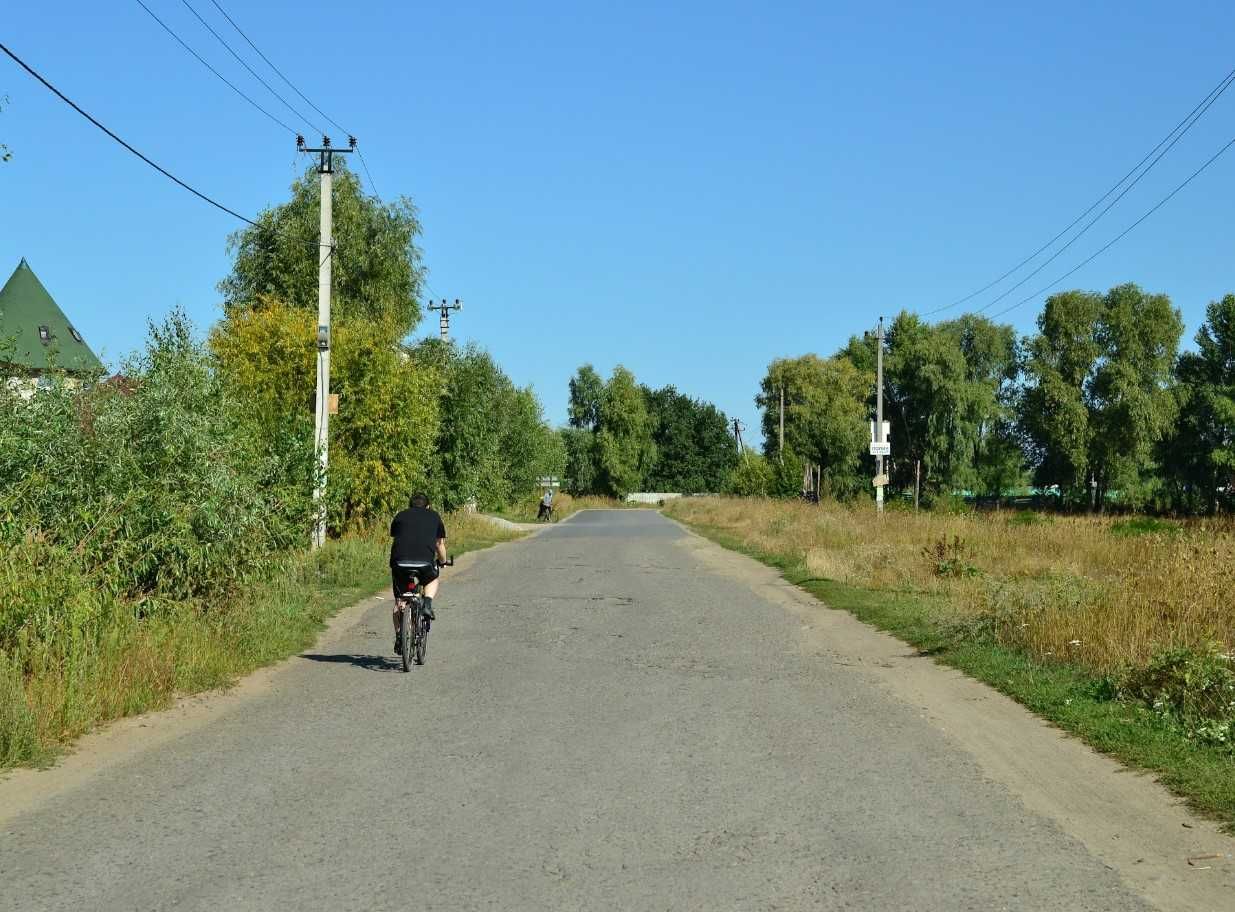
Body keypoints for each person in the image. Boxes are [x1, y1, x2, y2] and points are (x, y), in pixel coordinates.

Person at [389, 493, 448, 654]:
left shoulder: (400, 515)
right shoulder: (434, 516)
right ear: (428, 506)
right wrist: (442, 562)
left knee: (399, 601)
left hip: (399, 563)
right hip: (424, 563)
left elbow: (395, 537)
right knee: (432, 578)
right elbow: (439, 544)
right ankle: (427, 604)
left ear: (410, 505)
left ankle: (399, 636)